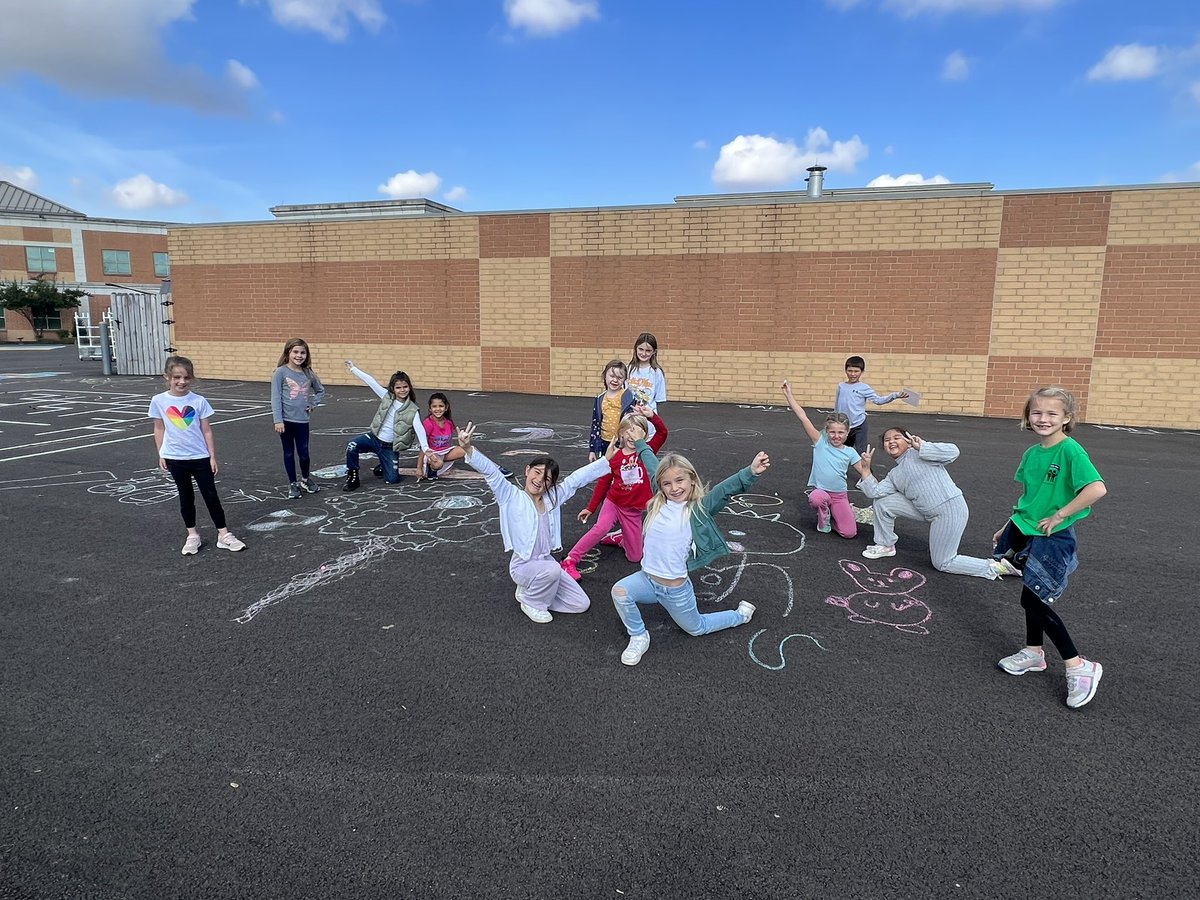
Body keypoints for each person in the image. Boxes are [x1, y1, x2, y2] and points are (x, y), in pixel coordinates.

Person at [993, 386, 1107, 709]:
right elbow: (1030, 499)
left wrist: (1060, 514)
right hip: (1027, 530)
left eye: (1052, 413)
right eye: (1037, 412)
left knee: (1034, 598)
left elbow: (1096, 488)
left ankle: (1077, 664)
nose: (1043, 419)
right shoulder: (1031, 454)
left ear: (1066, 418)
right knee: (1032, 594)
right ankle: (1033, 652)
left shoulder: (1070, 451)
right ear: (1028, 416)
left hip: (1053, 537)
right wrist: (1008, 525)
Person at [611, 448, 768, 666]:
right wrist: (638, 440)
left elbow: (723, 491)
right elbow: (650, 464)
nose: (674, 488)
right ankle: (639, 636)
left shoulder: (697, 509)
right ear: (661, 485)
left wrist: (750, 472)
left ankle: (740, 616)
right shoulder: (659, 502)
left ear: (692, 480)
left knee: (697, 628)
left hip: (675, 590)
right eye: (667, 483)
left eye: (680, 480)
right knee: (619, 592)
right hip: (647, 580)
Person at [458, 422, 611, 624]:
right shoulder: (511, 495)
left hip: (545, 564)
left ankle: (537, 592)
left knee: (580, 603)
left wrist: (606, 460)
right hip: (523, 566)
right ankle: (531, 601)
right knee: (555, 569)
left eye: (547, 479)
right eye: (537, 472)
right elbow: (492, 474)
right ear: (527, 470)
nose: (540, 480)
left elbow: (575, 480)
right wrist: (468, 448)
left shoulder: (552, 499)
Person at [853, 427, 1011, 580]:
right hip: (925, 510)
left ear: (908, 441)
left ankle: (995, 567)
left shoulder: (921, 453)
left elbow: (953, 451)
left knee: (943, 562)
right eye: (887, 440)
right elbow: (874, 492)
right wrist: (866, 470)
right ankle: (885, 545)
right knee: (883, 502)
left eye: (896, 437)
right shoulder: (894, 474)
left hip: (949, 510)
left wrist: (923, 446)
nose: (891, 442)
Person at [148, 356, 246, 555]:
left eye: (186, 377)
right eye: (177, 377)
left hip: (200, 456)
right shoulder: (159, 401)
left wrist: (212, 456)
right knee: (186, 497)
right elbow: (159, 429)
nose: (181, 382)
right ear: (167, 377)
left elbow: (207, 430)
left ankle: (224, 535)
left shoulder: (198, 401)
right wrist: (161, 453)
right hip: (175, 458)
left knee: (211, 495)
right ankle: (192, 535)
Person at [561, 408, 668, 580]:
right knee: (600, 528)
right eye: (628, 431)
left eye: (637, 431)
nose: (632, 436)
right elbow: (603, 482)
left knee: (635, 557)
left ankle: (620, 537)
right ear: (620, 434)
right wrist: (591, 507)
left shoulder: (647, 451)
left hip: (633, 510)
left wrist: (652, 417)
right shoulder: (614, 456)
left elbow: (663, 432)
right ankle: (570, 560)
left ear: (644, 435)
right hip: (614, 502)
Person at [782, 380, 860, 538]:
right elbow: (803, 418)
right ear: (826, 431)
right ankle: (823, 515)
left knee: (849, 533)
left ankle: (836, 518)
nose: (836, 436)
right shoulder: (820, 442)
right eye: (832, 432)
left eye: (840, 433)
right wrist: (789, 396)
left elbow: (864, 472)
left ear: (847, 432)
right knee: (816, 498)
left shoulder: (850, 452)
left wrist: (868, 465)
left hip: (839, 496)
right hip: (822, 492)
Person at [341, 360, 430, 491]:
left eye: (405, 387)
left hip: (389, 447)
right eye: (398, 387)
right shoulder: (387, 397)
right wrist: (353, 368)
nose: (402, 390)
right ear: (393, 389)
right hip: (374, 438)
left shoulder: (412, 409)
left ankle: (383, 465)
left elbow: (419, 428)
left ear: (409, 387)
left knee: (392, 480)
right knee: (352, 445)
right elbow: (371, 381)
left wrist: (426, 448)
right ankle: (353, 476)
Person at [271, 338, 325, 499]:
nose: (299, 355)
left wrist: (313, 403)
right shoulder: (280, 372)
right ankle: (293, 483)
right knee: (288, 453)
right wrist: (277, 420)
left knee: (304, 453)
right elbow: (275, 397)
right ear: (288, 353)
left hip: (302, 421)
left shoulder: (308, 373)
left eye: (302, 352)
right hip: (286, 421)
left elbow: (320, 390)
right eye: (295, 352)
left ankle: (305, 479)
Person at [835, 355, 908, 453]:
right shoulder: (841, 386)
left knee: (861, 452)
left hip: (859, 425)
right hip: (844, 425)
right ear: (846, 370)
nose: (853, 374)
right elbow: (837, 405)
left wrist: (894, 395)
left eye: (856, 371)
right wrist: (834, 420)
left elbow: (878, 400)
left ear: (862, 372)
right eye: (850, 371)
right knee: (840, 451)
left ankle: (866, 469)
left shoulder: (864, 387)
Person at [589, 359, 635, 462]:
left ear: (624, 380)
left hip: (621, 442)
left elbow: (631, 421)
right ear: (605, 376)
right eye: (612, 376)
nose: (615, 380)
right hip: (604, 441)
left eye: (619, 377)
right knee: (606, 469)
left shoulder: (626, 396)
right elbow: (596, 424)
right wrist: (593, 449)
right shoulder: (600, 398)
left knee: (620, 469)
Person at [421, 392, 466, 479]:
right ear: (430, 409)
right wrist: (419, 468)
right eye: (434, 406)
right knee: (438, 463)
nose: (438, 409)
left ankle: (490, 469)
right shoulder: (428, 423)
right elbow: (422, 446)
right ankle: (431, 469)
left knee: (467, 449)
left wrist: (464, 441)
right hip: (431, 453)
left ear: (446, 407)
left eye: (441, 406)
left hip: (444, 452)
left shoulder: (449, 422)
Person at [626, 332, 667, 414]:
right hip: (629, 415)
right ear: (635, 348)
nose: (643, 353)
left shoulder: (656, 372)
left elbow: (659, 398)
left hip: (648, 416)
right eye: (641, 349)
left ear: (654, 352)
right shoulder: (628, 369)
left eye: (648, 351)